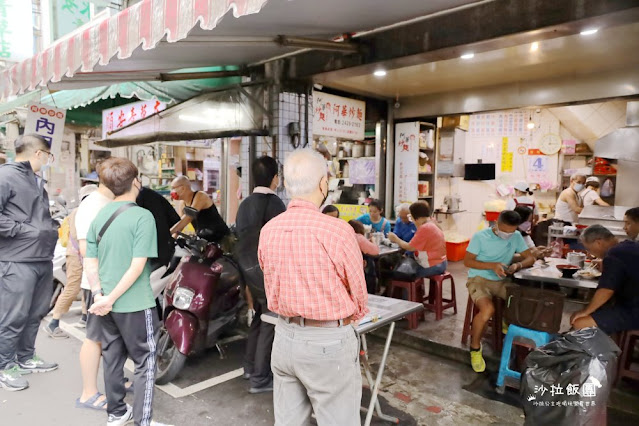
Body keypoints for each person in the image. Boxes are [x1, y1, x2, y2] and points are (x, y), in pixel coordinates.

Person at [258, 149, 368, 425]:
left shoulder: (269, 229)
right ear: (323, 184)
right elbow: (359, 295)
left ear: (286, 184)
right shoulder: (337, 230)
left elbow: (268, 276)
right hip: (328, 342)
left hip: (283, 336)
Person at [85, 157, 167, 426]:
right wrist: (109, 297)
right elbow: (137, 266)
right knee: (146, 361)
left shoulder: (101, 215)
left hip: (105, 305)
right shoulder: (142, 216)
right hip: (134, 304)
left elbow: (90, 259)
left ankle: (116, 413)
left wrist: (100, 295)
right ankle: (143, 420)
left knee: (113, 357)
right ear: (136, 182)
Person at [0, 134, 59, 391]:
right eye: (48, 155)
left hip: (41, 257)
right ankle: (5, 366)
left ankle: (25, 357)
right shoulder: (5, 176)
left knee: (35, 313)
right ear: (38, 154)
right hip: (17, 259)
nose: (48, 160)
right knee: (13, 316)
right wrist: (24, 231)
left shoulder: (36, 180)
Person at [235, 156, 286, 394]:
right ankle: (260, 378)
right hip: (268, 272)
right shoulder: (275, 204)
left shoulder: (244, 204)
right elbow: (282, 243)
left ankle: (249, 366)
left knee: (259, 317)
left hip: (247, 271)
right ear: (275, 177)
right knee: (270, 322)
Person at [463, 210, 536, 373]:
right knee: (488, 309)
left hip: (502, 279)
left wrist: (518, 265)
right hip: (479, 279)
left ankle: (507, 323)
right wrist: (492, 265)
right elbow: (467, 261)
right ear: (496, 222)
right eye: (504, 231)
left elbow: (530, 257)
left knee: (522, 300)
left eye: (511, 231)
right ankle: (475, 348)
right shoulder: (480, 237)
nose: (507, 235)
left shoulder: (516, 236)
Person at [74, 166, 118, 410]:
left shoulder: (107, 201)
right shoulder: (93, 204)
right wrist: (98, 288)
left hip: (110, 283)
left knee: (110, 337)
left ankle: (115, 379)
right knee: (94, 339)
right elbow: (85, 249)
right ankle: (88, 393)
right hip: (98, 283)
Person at [44, 184, 98, 339]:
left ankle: (84, 317)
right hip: (77, 253)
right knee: (73, 287)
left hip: (80, 252)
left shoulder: (83, 210)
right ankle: (53, 323)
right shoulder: (80, 211)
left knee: (86, 283)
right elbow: (79, 236)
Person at [571, 225, 639, 334]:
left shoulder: (614, 254)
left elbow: (606, 290)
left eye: (589, 248)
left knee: (579, 322)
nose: (590, 254)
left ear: (598, 242)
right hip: (631, 304)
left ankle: (602, 351)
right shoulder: (625, 247)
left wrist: (585, 312)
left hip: (634, 310)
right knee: (598, 309)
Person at [388, 201, 447, 277]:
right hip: (441, 263)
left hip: (433, 266)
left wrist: (395, 239)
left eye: (411, 217)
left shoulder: (425, 228)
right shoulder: (432, 223)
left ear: (416, 217)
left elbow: (410, 247)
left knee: (401, 272)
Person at [169, 176, 230, 245]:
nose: (172, 191)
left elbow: (188, 217)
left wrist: (169, 232)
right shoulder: (182, 204)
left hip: (222, 240)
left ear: (183, 188)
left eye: (173, 188)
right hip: (206, 242)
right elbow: (180, 226)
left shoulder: (200, 196)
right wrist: (171, 239)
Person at [136, 186, 181, 270]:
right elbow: (176, 220)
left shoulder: (138, 197)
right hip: (163, 249)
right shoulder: (150, 194)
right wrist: (170, 238)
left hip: (152, 251)